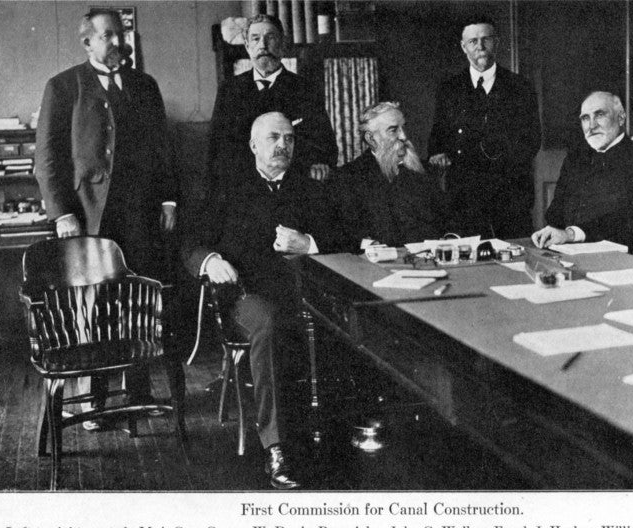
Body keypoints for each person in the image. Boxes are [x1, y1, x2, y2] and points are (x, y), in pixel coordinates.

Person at [183, 112, 341, 490]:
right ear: (254, 145)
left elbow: (344, 234)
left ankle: (342, 424)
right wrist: (211, 260)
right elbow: (189, 243)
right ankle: (276, 445)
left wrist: (309, 244)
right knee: (268, 322)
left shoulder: (310, 189)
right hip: (245, 298)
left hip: (304, 295)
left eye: (289, 138)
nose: (283, 145)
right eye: (273, 138)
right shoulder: (228, 189)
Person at [35, 8, 176, 429]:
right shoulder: (63, 86)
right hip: (87, 214)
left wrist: (169, 199)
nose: (118, 42)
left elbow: (162, 147)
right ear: (87, 42)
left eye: (121, 34)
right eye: (108, 35)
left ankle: (138, 395)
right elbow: (47, 158)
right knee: (91, 305)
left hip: (140, 213)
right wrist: (62, 213)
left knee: (138, 301)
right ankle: (91, 401)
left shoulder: (144, 85)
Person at [428, 15, 541, 239]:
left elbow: (532, 140)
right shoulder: (450, 89)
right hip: (464, 199)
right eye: (473, 41)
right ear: (464, 47)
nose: (480, 46)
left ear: (496, 43)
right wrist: (437, 153)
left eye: (486, 39)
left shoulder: (520, 87)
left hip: (509, 198)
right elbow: (438, 134)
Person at [208, 13, 337, 195]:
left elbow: (325, 143)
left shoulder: (304, 89)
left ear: (283, 45)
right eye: (255, 39)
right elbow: (216, 148)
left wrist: (320, 163)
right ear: (247, 46)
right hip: (243, 192)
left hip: (294, 189)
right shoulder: (230, 90)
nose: (263, 45)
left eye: (270, 37)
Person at [531, 91, 633, 257]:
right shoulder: (574, 161)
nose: (591, 126)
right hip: (569, 257)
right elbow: (555, 215)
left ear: (621, 118)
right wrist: (549, 235)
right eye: (585, 118)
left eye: (600, 115)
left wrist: (572, 234)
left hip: (626, 262)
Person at [333, 102, 445, 251]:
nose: (404, 136)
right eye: (393, 130)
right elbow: (346, 235)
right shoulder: (349, 178)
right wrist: (370, 246)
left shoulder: (425, 171)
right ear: (371, 138)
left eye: (403, 128)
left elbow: (447, 220)